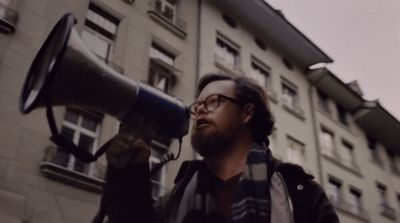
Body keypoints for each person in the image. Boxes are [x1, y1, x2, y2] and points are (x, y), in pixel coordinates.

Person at [100, 73, 340, 223]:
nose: (200, 110)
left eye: (213, 101)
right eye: (197, 106)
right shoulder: (178, 195)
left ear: (246, 113)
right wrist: (129, 173)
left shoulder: (299, 192)